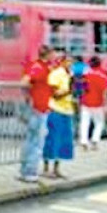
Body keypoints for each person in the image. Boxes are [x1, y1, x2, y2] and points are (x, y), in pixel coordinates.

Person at [18, 45, 55, 183]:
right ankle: (30, 172)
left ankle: (25, 170)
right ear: (48, 54)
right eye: (53, 54)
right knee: (37, 142)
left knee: (30, 140)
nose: (55, 56)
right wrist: (30, 97)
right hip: (38, 108)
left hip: (38, 106)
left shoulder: (39, 66)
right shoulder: (39, 68)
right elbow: (25, 82)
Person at [43, 51, 75, 179]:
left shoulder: (70, 75)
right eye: (68, 61)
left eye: (71, 61)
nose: (70, 63)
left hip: (67, 110)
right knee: (51, 139)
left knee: (63, 141)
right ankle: (46, 168)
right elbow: (55, 95)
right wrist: (69, 90)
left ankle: (56, 168)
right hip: (55, 109)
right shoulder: (56, 74)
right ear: (61, 61)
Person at [79, 56, 107, 151]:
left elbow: (80, 87)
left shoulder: (86, 73)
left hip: (86, 102)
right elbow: (105, 91)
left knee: (84, 122)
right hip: (98, 103)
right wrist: (106, 104)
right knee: (99, 123)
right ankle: (95, 141)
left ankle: (84, 142)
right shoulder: (104, 74)